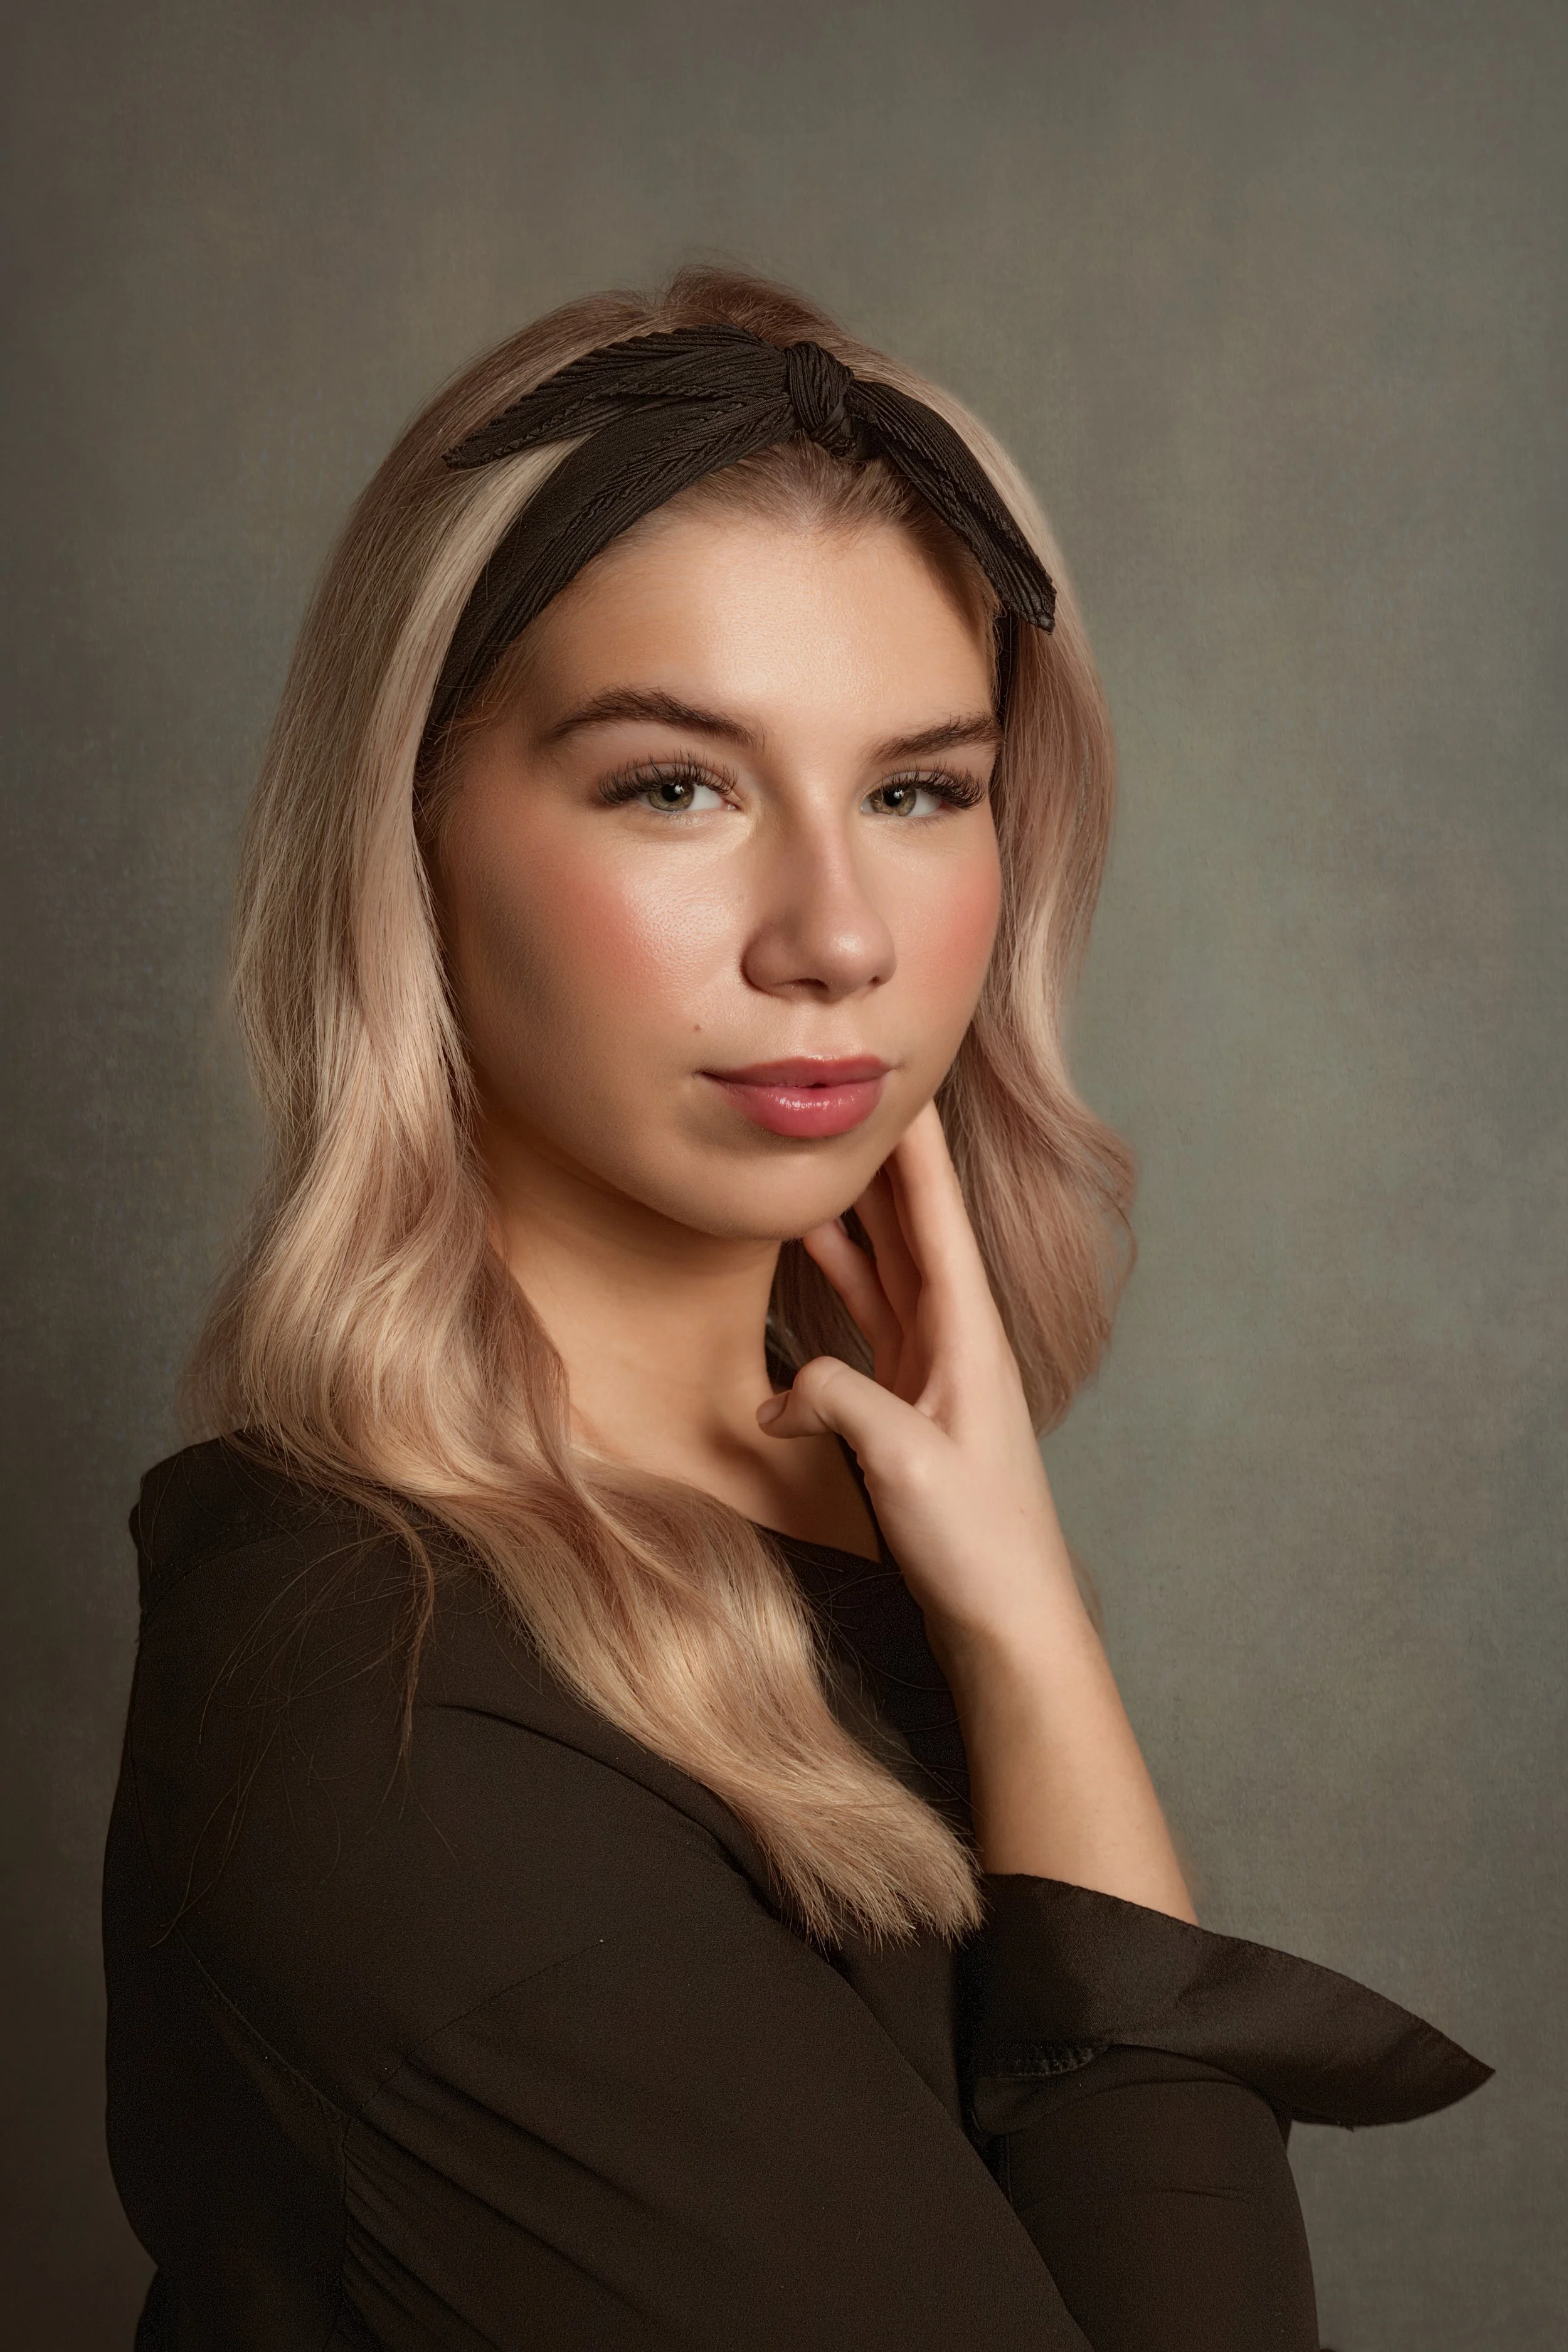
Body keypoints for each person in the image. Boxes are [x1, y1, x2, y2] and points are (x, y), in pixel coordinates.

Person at [103, 265, 1488, 2351]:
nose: (834, 933)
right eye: (677, 782)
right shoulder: (399, 1740)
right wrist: (1037, 1657)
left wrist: (1016, 1618)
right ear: (408, 834)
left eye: (920, 788)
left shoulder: (860, 1492)